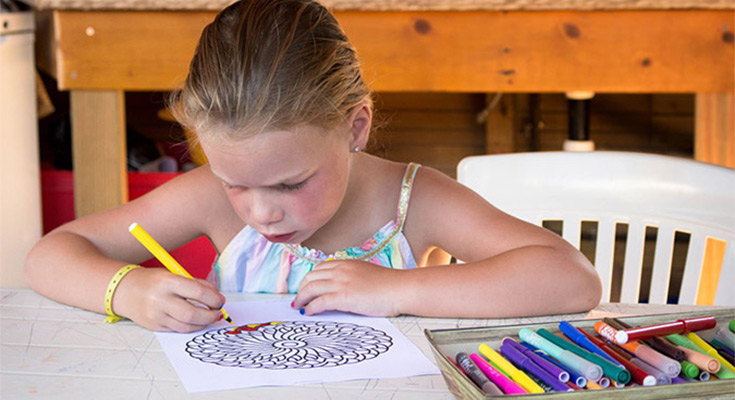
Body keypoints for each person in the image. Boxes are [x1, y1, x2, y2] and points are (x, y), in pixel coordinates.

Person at [25, 0, 601, 333]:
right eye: (235, 184)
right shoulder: (202, 196)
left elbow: (572, 278)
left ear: (355, 126)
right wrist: (126, 290)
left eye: (290, 183)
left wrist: (398, 289)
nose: (261, 211)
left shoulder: (412, 201)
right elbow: (50, 253)